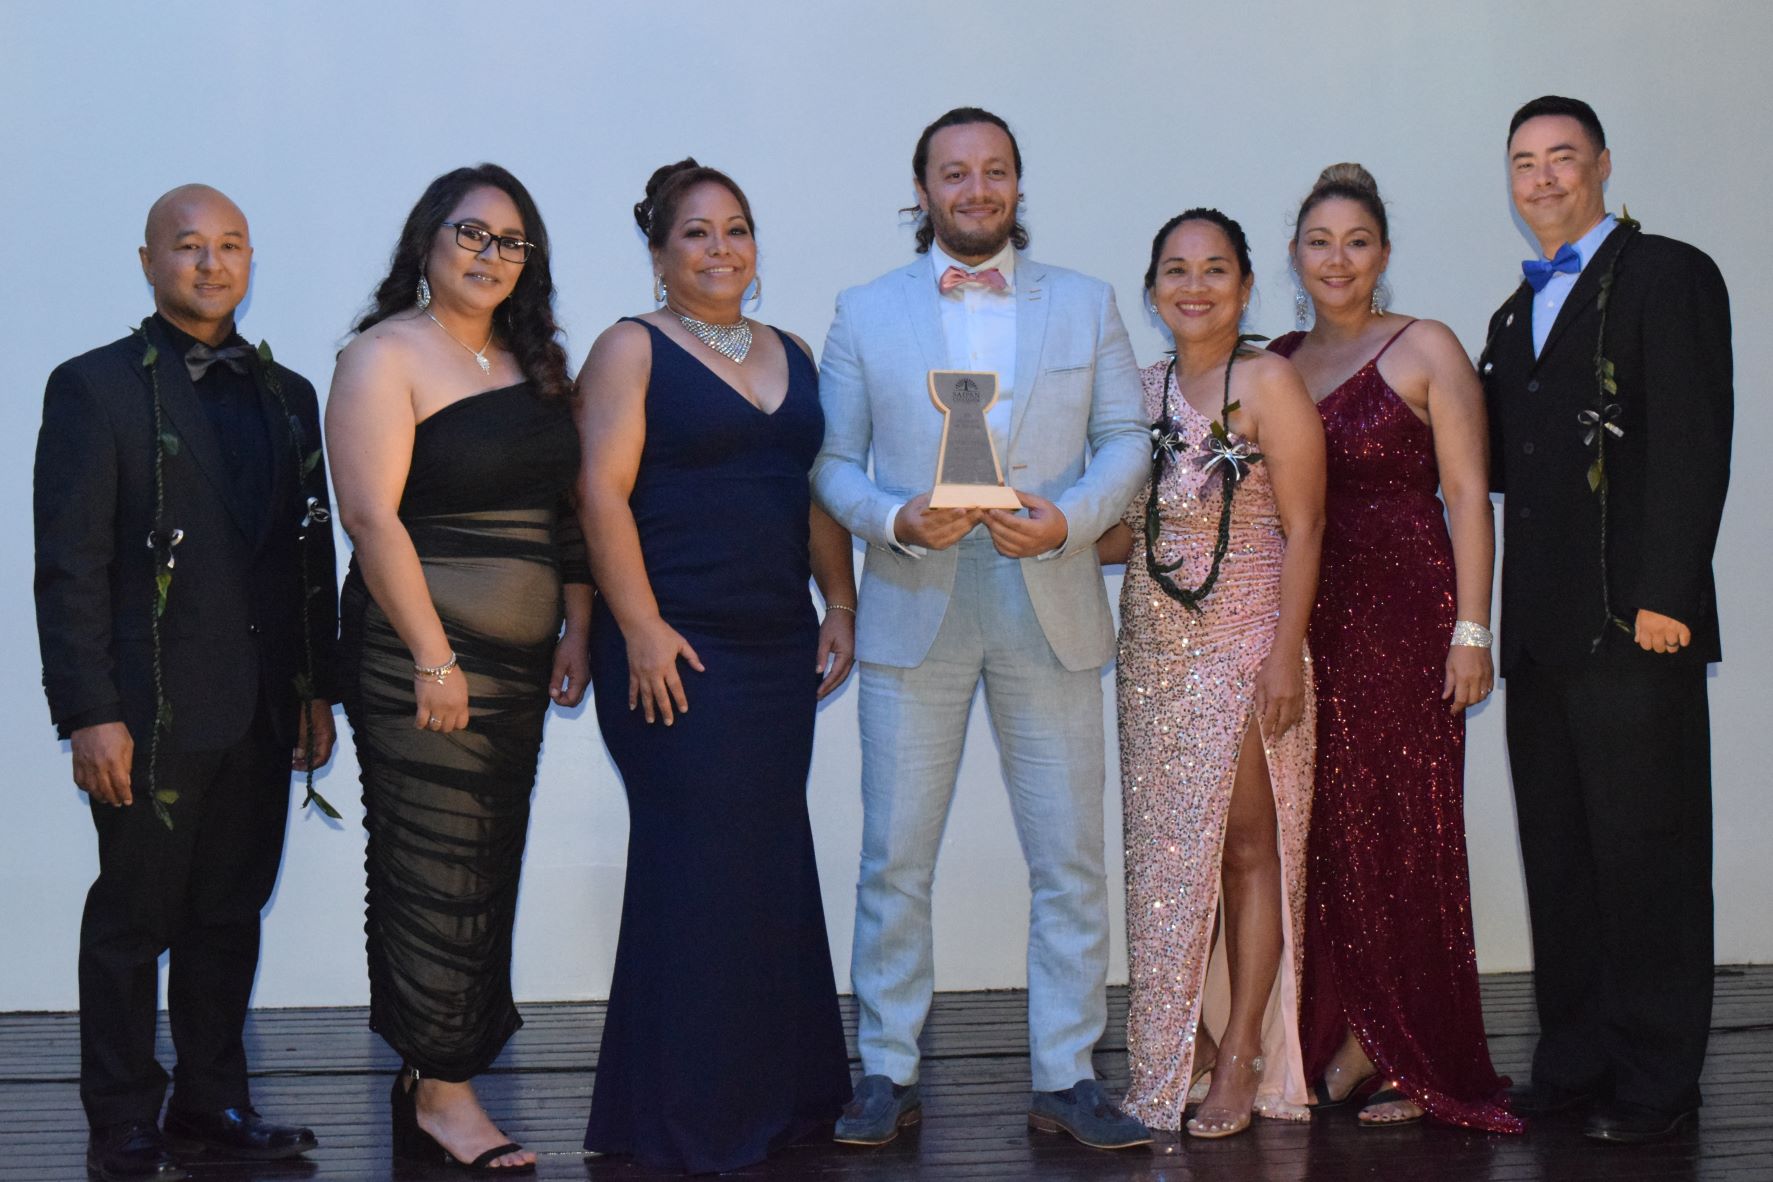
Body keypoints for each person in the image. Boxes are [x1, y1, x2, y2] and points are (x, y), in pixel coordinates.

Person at [813, 107, 1151, 1151]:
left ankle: (1067, 1074)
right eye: (954, 174)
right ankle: (886, 1068)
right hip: (915, 606)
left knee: (1069, 859)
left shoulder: (1087, 303)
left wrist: (1074, 521)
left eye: (994, 172)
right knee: (894, 859)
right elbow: (829, 465)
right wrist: (895, 519)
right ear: (922, 190)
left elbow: (1126, 439)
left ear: (1017, 184)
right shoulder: (864, 311)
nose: (976, 190)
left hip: (1048, 597)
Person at [33, 184, 337, 1182]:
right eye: (190, 247)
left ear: (252, 260)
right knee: (131, 920)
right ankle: (122, 1111)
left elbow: (306, 557)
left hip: (258, 708)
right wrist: (89, 713)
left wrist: (313, 690)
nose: (212, 265)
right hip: (150, 712)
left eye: (231, 246)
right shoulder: (95, 388)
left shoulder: (290, 397)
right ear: (148, 261)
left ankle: (212, 1103)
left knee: (226, 916)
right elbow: (69, 565)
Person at [575, 159, 855, 1174]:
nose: (721, 248)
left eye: (736, 230)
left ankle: (782, 1098)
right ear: (659, 254)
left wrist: (844, 602)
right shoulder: (629, 348)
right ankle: (692, 1119)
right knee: (698, 869)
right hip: (674, 647)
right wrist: (639, 626)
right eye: (696, 233)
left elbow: (815, 490)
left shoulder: (794, 353)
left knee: (769, 860)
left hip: (777, 644)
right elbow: (600, 495)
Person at [328, 164, 590, 1174]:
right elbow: (369, 518)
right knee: (432, 869)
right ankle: (445, 1093)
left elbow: (559, 513)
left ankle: (433, 1066)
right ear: (427, 244)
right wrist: (437, 656)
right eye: (470, 234)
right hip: (419, 662)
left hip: (517, 675)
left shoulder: (528, 365)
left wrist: (573, 623)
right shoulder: (385, 354)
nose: (490, 255)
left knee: (485, 864)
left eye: (511, 241)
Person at [1481, 96, 1732, 1145]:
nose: (1542, 179)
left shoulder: (1668, 272)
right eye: (1524, 163)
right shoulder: (1511, 315)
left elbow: (1691, 433)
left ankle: (1658, 1081)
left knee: (1651, 856)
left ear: (1601, 165)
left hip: (1639, 628)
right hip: (1540, 640)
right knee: (1564, 858)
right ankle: (1574, 1060)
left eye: (1561, 159)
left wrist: (1668, 590)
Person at [1267, 165, 1522, 1132]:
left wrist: (1471, 631)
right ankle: (1340, 1032)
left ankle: (1406, 1052)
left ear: (1382, 253)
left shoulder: (1427, 347)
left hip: (1409, 618)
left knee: (1403, 827)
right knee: (1326, 833)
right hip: (1310, 621)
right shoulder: (1278, 360)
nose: (1338, 259)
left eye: (1357, 241)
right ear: (1294, 256)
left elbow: (1468, 498)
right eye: (1320, 241)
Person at [1098, 209, 1325, 1139]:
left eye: (1216, 269)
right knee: (1163, 857)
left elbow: (1306, 528)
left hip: (1243, 645)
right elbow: (1128, 533)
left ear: (1244, 286)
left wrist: (1282, 656)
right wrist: (1037, 530)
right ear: (1152, 287)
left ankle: (1241, 1053)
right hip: (1150, 651)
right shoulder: (1137, 391)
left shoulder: (1268, 382)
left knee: (1243, 848)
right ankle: (1180, 1040)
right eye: (1176, 270)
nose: (1195, 286)